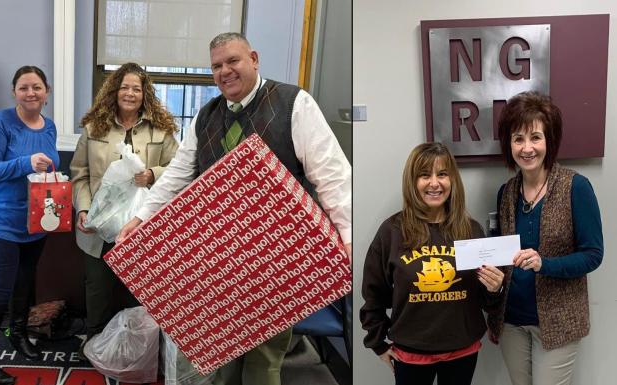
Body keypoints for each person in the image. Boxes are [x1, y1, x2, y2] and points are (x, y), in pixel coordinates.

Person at [116, 32, 351, 385]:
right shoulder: (206, 115)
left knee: (264, 361)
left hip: (277, 260)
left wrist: (347, 239)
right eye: (217, 66)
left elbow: (332, 177)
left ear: (253, 59)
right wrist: (140, 218)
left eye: (233, 61)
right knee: (220, 357)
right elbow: (177, 175)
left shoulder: (294, 103)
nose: (225, 71)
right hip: (221, 260)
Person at [360, 142, 505, 385]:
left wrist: (495, 289)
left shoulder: (470, 230)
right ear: (412, 182)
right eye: (424, 175)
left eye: (442, 174)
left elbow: (486, 301)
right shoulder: (392, 231)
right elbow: (373, 293)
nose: (434, 183)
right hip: (410, 353)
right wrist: (377, 343)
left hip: (462, 349)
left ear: (453, 180)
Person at [489, 91, 603, 385]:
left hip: (558, 322)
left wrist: (545, 264)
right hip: (512, 319)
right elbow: (502, 256)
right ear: (509, 144)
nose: (527, 148)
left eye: (535, 137)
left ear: (549, 141)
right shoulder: (506, 193)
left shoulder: (576, 187)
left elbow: (593, 254)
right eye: (518, 139)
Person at [70, 62, 179, 347]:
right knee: (97, 289)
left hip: (143, 226)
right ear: (114, 91)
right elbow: (79, 174)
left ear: (145, 95)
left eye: (136, 88)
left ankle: (137, 350)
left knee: (140, 291)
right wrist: (83, 209)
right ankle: (96, 345)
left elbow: (179, 169)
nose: (130, 93)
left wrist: (153, 174)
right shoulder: (94, 127)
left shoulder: (161, 129)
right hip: (98, 225)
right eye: (124, 87)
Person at [0, 66, 59, 385]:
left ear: (46, 92)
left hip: (35, 220)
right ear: (14, 92)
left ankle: (18, 335)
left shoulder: (49, 127)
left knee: (25, 280)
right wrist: (26, 163)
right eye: (23, 87)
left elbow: (47, 168)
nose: (31, 93)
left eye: (36, 87)